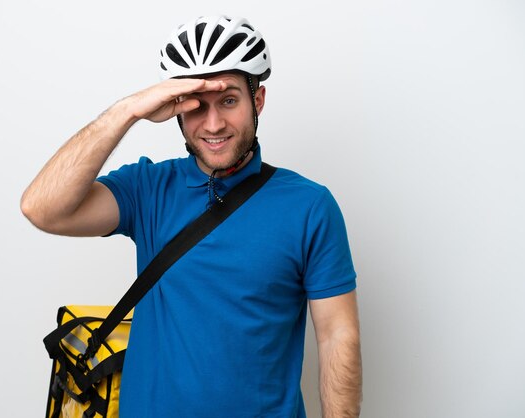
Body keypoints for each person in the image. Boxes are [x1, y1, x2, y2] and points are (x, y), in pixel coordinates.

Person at [22, 15, 362, 418]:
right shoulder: (148, 189)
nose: (213, 124)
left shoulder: (309, 206)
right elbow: (42, 208)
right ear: (176, 110)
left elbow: (337, 336)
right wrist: (127, 111)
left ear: (259, 100)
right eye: (197, 106)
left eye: (229, 101)